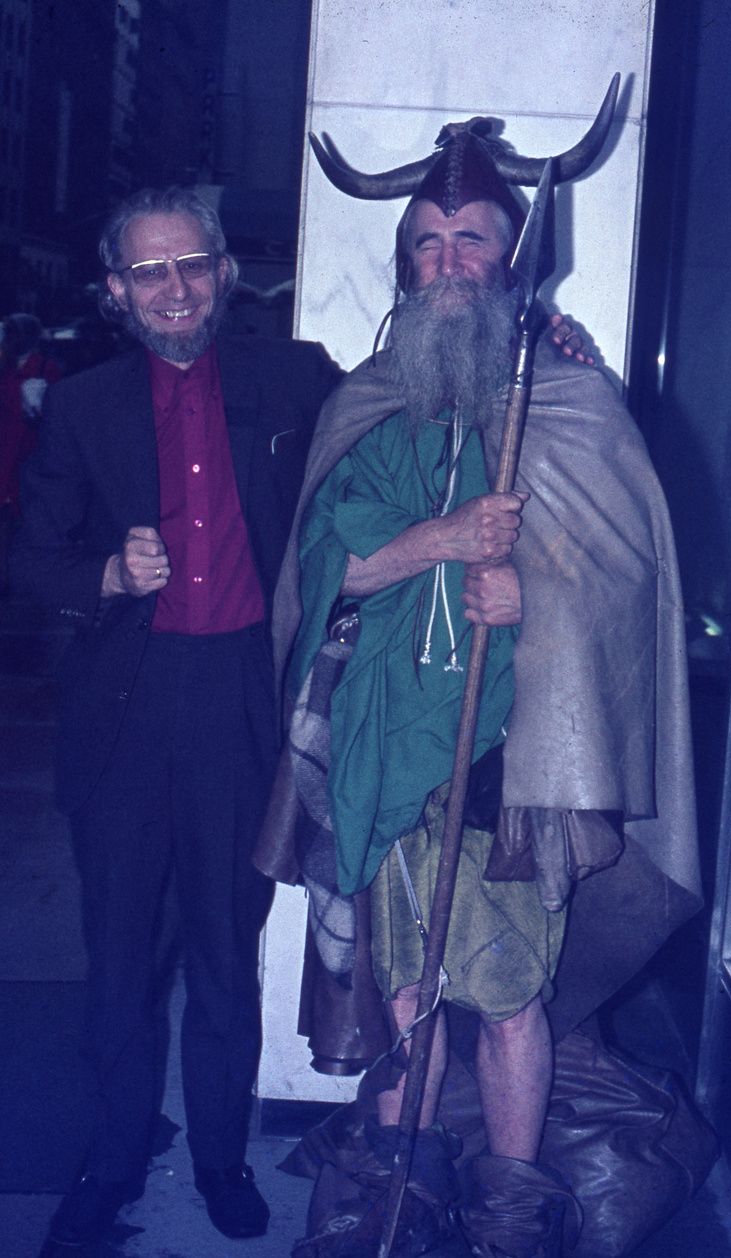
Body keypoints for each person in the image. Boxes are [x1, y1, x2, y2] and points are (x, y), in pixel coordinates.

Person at [255, 116, 702, 1256]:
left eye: (472, 239)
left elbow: (618, 589)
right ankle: (397, 1213)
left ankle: (509, 1224)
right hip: (386, 765)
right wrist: (446, 539)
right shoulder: (363, 404)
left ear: (509, 258)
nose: (448, 260)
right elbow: (325, 569)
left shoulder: (568, 397)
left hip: (514, 772)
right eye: (426, 241)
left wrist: (533, 605)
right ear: (404, 263)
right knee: (405, 1008)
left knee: (507, 1006)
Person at [10, 186, 342, 1248]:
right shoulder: (83, 405)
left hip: (242, 699)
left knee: (221, 944)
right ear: (115, 290)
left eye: (191, 263)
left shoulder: (294, 377)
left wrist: (550, 349)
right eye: (148, 271)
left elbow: (402, 411)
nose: (173, 286)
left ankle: (216, 1156)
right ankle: (110, 1160)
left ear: (223, 273)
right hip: (125, 705)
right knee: (116, 954)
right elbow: (29, 555)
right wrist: (105, 571)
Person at [0, 313, 60, 593]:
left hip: (27, 455)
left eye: (12, 333)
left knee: (25, 520)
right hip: (6, 452)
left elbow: (49, 417)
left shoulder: (43, 369)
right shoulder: (6, 368)